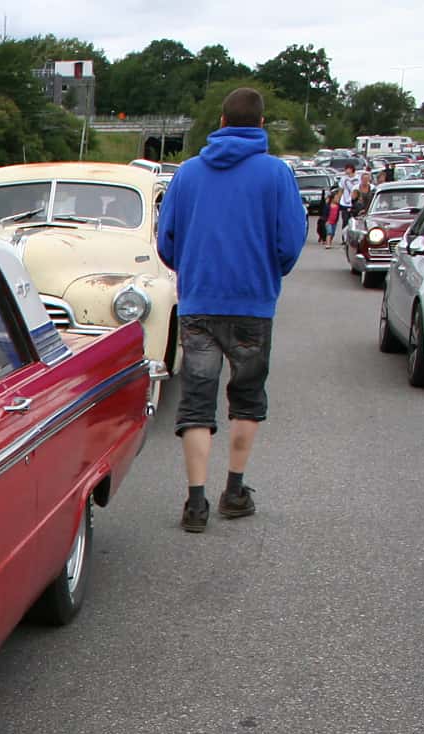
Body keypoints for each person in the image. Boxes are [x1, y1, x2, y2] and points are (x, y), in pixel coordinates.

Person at [156, 86, 307, 532]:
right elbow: (289, 243)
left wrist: (192, 268)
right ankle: (234, 491)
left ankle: (195, 503)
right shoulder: (277, 174)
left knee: (197, 401)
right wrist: (266, 273)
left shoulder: (186, 175)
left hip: (199, 305)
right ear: (261, 126)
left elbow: (167, 242)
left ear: (220, 122)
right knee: (246, 397)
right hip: (252, 306)